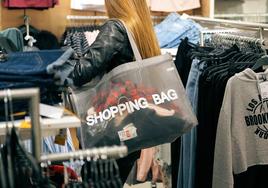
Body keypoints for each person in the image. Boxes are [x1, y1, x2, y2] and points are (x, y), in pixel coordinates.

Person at [66, 0, 161, 184]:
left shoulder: (115, 28)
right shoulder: (141, 28)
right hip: (131, 128)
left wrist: (57, 65)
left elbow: (80, 73)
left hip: (109, 129)